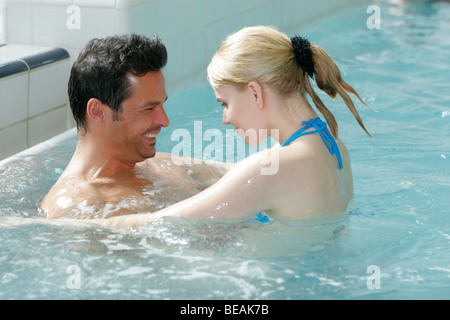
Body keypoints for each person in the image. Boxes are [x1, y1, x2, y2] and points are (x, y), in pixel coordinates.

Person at [97, 26, 372, 230]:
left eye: (224, 103)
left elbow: (162, 223)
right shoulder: (334, 149)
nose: (225, 119)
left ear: (254, 92)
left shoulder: (271, 167)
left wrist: (79, 226)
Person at [41, 34, 230, 220]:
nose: (164, 121)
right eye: (149, 108)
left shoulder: (162, 165)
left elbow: (248, 174)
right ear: (97, 112)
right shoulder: (76, 206)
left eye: (161, 105)